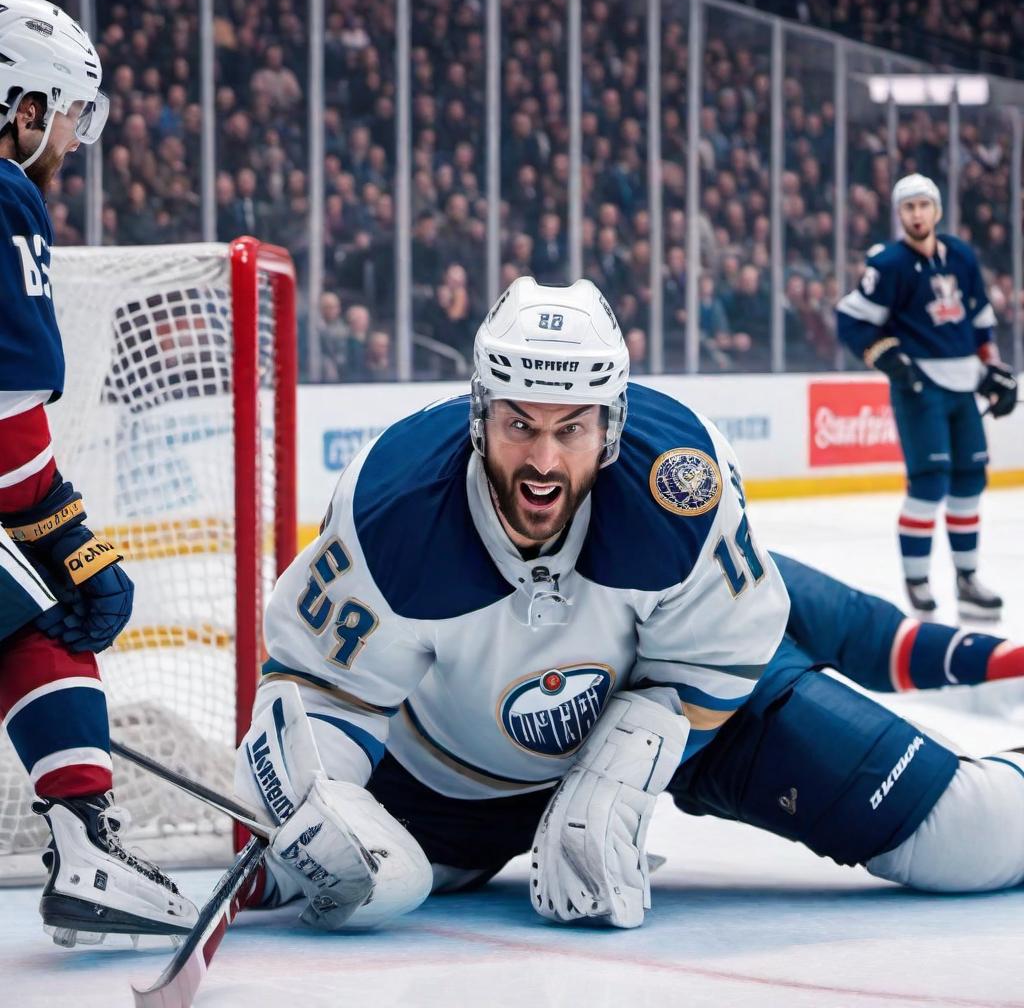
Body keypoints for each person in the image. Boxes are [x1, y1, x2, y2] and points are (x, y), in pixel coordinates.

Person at [235, 276, 1024, 933]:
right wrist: (321, 796)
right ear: (480, 414)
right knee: (317, 874)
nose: (543, 461)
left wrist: (635, 755)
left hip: (685, 725)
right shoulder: (394, 504)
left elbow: (727, 651)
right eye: (519, 424)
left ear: (610, 428)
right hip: (448, 789)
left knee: (971, 835)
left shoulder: (678, 480)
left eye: (571, 429)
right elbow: (315, 689)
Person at [0, 0, 196, 946]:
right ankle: (85, 847)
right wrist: (65, 530)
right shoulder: (5, 192)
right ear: (21, 107)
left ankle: (83, 842)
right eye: (69, 112)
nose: (75, 138)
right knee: (47, 606)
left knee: (21, 612)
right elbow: (2, 412)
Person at [836, 173, 1018, 618]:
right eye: (908, 207)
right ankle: (917, 581)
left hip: (964, 385)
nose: (917, 214)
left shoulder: (960, 255)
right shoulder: (890, 265)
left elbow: (980, 318)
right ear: (900, 215)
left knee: (969, 482)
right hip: (920, 389)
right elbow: (851, 319)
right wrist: (887, 356)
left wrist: (992, 369)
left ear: (936, 211)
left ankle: (967, 578)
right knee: (930, 484)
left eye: (923, 205)